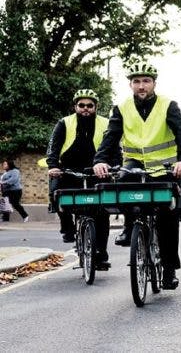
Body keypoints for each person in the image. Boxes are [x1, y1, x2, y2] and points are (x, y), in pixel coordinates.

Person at [93, 61, 181, 290]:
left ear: (154, 83)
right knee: (123, 184)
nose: (141, 86)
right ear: (130, 84)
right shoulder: (121, 108)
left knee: (168, 218)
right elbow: (110, 137)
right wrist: (100, 161)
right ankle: (129, 227)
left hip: (165, 168)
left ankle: (169, 270)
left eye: (146, 81)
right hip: (134, 164)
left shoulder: (169, 105)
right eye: (136, 81)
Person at [45, 90, 115, 270]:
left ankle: (101, 254)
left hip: (98, 171)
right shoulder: (64, 123)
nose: (85, 109)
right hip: (68, 170)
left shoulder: (106, 123)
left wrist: (112, 166)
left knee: (102, 212)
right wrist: (53, 166)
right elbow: (53, 147)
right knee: (56, 194)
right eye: (81, 105)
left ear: (95, 107)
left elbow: (114, 148)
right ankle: (67, 227)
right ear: (75, 107)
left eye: (89, 106)